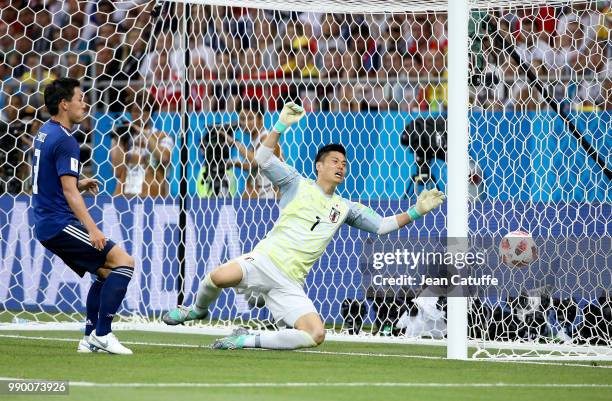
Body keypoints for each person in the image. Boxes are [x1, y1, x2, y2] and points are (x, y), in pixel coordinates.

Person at [163, 102, 445, 350]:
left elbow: (383, 225)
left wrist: (416, 211)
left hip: (290, 282)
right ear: (319, 166)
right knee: (216, 277)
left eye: (344, 164)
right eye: (334, 161)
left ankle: (245, 339)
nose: (341, 166)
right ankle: (198, 311)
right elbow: (262, 159)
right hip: (264, 260)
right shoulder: (295, 182)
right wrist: (280, 125)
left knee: (315, 334)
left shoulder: (345, 207)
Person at [31, 78, 135, 355]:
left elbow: (50, 181)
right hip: (58, 222)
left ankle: (89, 338)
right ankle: (103, 333)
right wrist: (92, 229)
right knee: (124, 263)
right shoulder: (66, 141)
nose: (84, 103)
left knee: (104, 272)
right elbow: (67, 191)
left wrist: (79, 182)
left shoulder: (45, 132)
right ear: (65, 104)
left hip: (45, 222)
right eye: (80, 98)